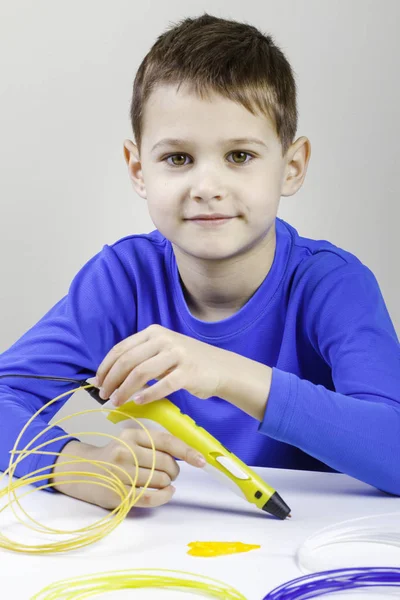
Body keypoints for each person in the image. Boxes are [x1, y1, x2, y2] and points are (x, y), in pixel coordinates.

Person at [0, 13, 399, 511]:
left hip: (303, 554)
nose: (207, 187)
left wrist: (226, 372)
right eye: (178, 158)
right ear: (138, 169)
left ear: (291, 167)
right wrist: (74, 463)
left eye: (239, 156)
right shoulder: (123, 280)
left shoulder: (333, 285)